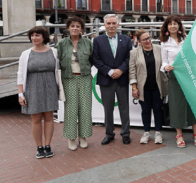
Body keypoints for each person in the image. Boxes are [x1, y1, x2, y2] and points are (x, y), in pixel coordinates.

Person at [160, 15, 196, 148]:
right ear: (167, 27)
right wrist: (166, 67)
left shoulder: (186, 40)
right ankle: (179, 135)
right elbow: (164, 62)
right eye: (170, 24)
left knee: (192, 103)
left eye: (175, 23)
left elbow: (193, 55)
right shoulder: (164, 43)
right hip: (174, 76)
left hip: (189, 75)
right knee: (176, 105)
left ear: (179, 26)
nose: (173, 26)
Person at [17, 26, 59, 159]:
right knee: (35, 119)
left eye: (37, 35)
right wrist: (20, 94)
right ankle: (39, 147)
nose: (34, 38)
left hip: (50, 87)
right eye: (32, 36)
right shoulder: (25, 54)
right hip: (32, 88)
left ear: (44, 37)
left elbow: (58, 70)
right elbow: (20, 73)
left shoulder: (54, 52)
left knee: (49, 117)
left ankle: (48, 145)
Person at [92, 14, 133, 145]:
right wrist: (109, 71)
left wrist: (120, 70)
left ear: (118, 24)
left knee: (124, 107)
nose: (111, 26)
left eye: (113, 23)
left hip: (122, 78)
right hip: (106, 79)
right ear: (104, 25)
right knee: (108, 108)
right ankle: (109, 134)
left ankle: (125, 134)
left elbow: (129, 58)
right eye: (108, 23)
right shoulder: (97, 40)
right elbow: (96, 59)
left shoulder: (126, 40)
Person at [56, 17, 94, 151]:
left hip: (84, 78)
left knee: (85, 109)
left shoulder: (88, 43)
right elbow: (56, 61)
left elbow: (92, 59)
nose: (75, 28)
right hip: (68, 79)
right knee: (71, 110)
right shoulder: (62, 44)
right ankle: (71, 138)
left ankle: (83, 137)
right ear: (68, 28)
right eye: (72, 26)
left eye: (78, 26)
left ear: (82, 29)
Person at [129, 29, 168, 144]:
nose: (148, 41)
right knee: (145, 110)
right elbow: (132, 71)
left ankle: (158, 133)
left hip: (158, 85)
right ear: (139, 41)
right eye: (144, 39)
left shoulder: (159, 49)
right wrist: (134, 88)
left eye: (149, 38)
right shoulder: (134, 53)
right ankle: (146, 133)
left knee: (158, 109)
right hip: (143, 87)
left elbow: (166, 63)